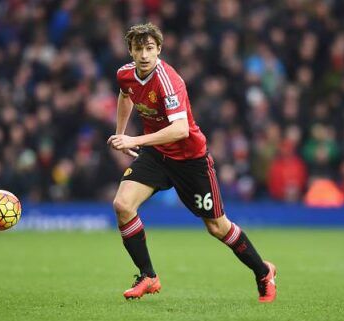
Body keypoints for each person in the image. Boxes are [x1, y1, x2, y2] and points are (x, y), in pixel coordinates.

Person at [107, 23, 277, 302]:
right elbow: (125, 95)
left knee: (216, 227)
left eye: (150, 48)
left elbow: (180, 130)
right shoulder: (125, 75)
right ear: (131, 51)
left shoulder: (168, 80)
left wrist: (133, 141)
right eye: (139, 49)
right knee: (122, 206)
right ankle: (148, 276)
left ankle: (263, 272)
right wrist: (120, 133)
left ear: (159, 49)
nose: (145, 54)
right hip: (157, 154)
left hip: (190, 160)